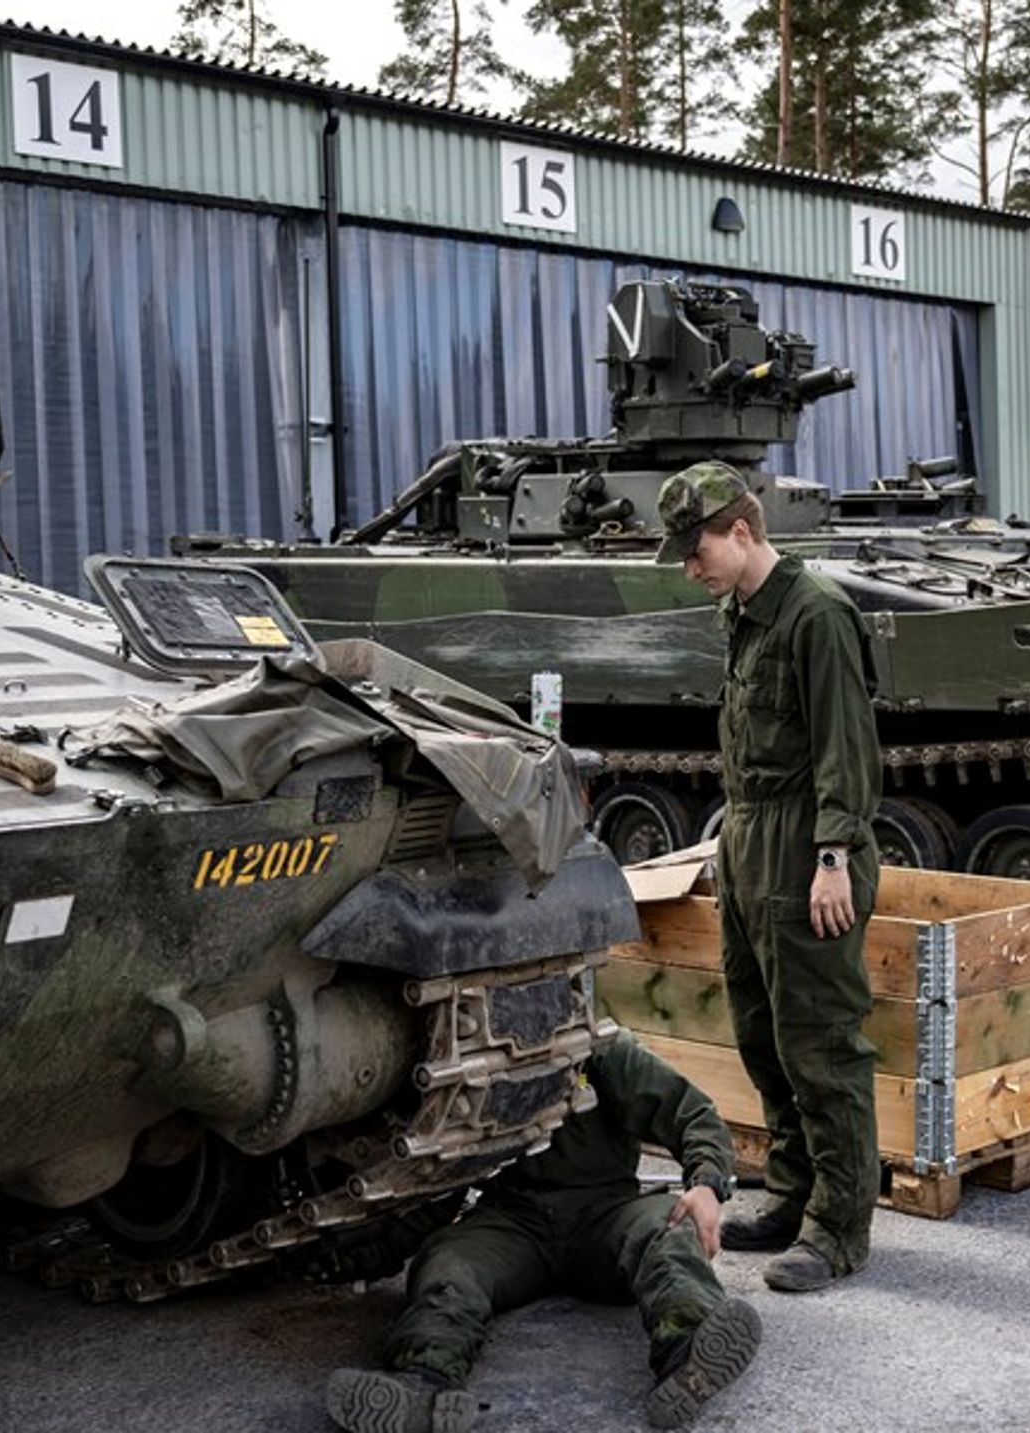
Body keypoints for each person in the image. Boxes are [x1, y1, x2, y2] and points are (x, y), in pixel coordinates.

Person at [652, 460, 881, 1294]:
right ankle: (792, 1193)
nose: (689, 565)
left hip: (804, 846)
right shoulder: (740, 612)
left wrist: (832, 858)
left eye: (697, 547)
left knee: (821, 1040)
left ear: (742, 530)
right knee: (763, 1032)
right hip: (750, 839)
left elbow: (844, 751)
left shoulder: (815, 614)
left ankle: (840, 1225)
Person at [323, 1030, 760, 1433]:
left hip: (607, 1214)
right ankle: (424, 1377)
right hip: (514, 1223)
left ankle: (689, 1348)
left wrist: (707, 1184)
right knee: (448, 1262)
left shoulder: (603, 1050)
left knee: (669, 1227)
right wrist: (364, 1252)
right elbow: (439, 1184)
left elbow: (691, 1113)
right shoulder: (467, 1069)